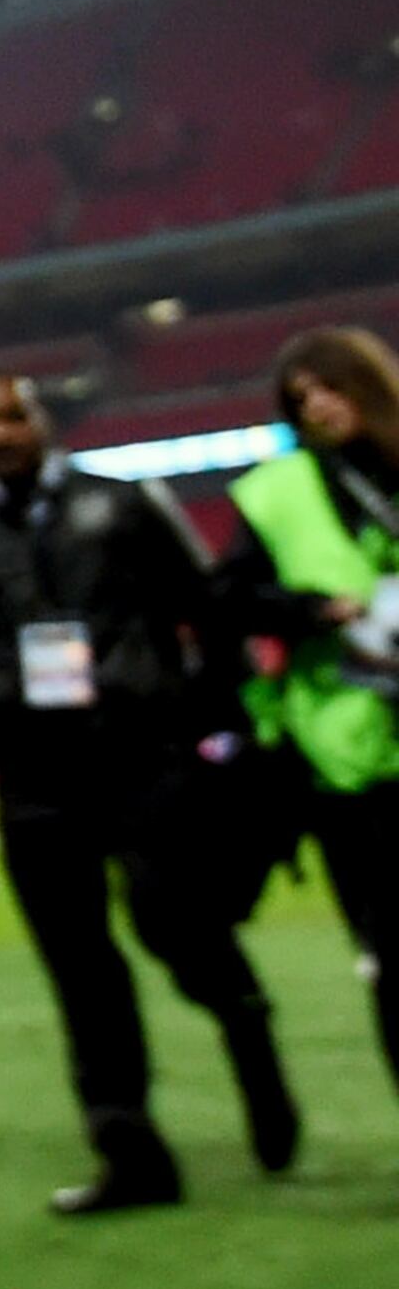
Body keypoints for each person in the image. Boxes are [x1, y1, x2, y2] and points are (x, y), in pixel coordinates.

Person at [0, 370, 292, 1207]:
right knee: (80, 967)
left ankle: (244, 1022)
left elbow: (208, 611)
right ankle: (129, 1148)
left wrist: (209, 727)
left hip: (141, 757)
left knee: (175, 925)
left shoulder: (123, 506)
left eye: (13, 416)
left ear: (45, 419)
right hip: (30, 773)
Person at [217, 330, 399, 1107]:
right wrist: (310, 609)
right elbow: (227, 598)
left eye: (330, 385)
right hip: (347, 754)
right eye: (300, 398)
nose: (320, 404)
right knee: (392, 955)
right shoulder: (276, 490)